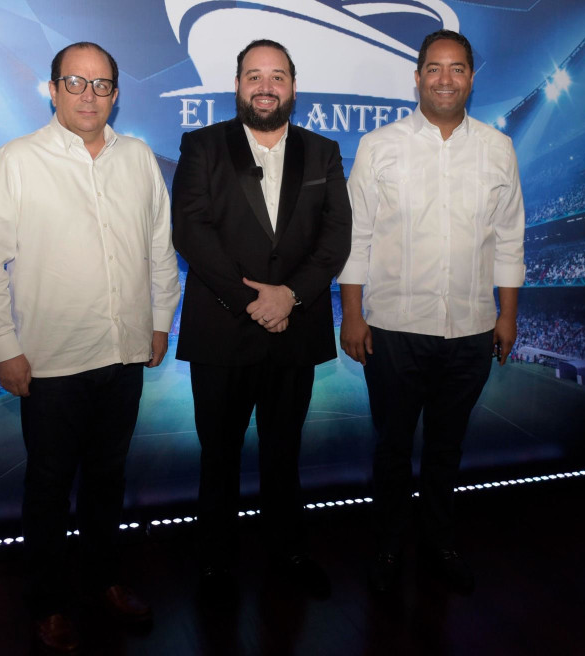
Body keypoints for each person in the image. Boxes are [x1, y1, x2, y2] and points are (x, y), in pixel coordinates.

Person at [0, 42, 180, 652]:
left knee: (108, 483)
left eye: (102, 85)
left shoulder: (138, 158)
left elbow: (159, 250)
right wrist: (5, 348)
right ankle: (50, 603)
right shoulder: (16, 160)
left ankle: (104, 581)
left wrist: (159, 321)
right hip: (52, 362)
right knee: (49, 489)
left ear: (116, 93)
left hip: (124, 355)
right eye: (76, 83)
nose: (89, 95)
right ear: (53, 89)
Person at [338, 29, 525, 594]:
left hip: (470, 329)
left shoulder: (498, 148)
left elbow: (510, 238)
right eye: (435, 69)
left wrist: (507, 315)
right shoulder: (380, 146)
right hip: (393, 330)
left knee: (448, 448)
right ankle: (389, 545)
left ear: (471, 77)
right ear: (417, 77)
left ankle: (439, 541)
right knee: (393, 448)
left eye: (458, 68)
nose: (446, 79)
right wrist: (351, 314)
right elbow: (356, 236)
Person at [171, 39, 352, 598]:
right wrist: (254, 300)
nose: (265, 86)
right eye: (254, 75)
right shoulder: (201, 146)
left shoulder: (323, 152)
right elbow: (192, 231)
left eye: (277, 76)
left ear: (294, 87)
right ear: (237, 86)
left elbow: (335, 236)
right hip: (223, 331)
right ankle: (215, 565)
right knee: (218, 457)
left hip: (293, 334)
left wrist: (290, 296)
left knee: (284, 453)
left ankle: (289, 553)